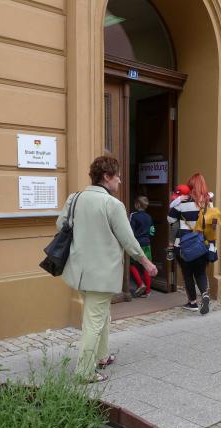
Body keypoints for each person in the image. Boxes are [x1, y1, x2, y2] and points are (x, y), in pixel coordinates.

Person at [57, 155, 158, 383]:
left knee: (101, 314)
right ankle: (84, 371)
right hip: (101, 274)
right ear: (106, 176)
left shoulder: (75, 198)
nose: (120, 180)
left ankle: (102, 356)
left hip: (78, 271)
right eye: (118, 176)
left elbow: (60, 225)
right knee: (94, 320)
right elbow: (129, 241)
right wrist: (147, 263)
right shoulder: (112, 204)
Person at [167, 173, 215, 315]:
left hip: (183, 244)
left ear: (190, 186)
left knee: (187, 273)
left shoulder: (183, 202)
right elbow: (211, 224)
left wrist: (177, 203)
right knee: (200, 272)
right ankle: (205, 294)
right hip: (202, 244)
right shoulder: (209, 203)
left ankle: (192, 302)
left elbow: (170, 219)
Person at [129, 195, 154, 297]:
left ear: (137, 204)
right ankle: (148, 291)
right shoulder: (149, 217)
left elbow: (130, 231)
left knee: (130, 264)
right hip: (147, 243)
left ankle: (140, 284)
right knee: (147, 266)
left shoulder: (133, 216)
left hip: (137, 244)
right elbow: (152, 231)